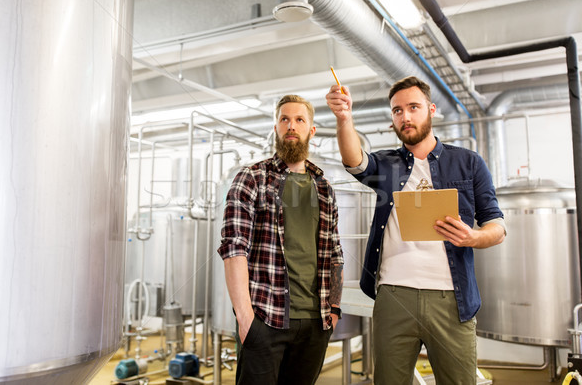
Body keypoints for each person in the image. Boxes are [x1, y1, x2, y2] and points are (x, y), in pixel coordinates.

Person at [326, 76, 506, 384]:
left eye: (413, 107)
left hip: (452, 300)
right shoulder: (386, 164)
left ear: (431, 109)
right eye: (397, 111)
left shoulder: (468, 162)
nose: (405, 117)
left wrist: (473, 237)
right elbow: (354, 161)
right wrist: (344, 118)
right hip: (394, 295)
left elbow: (497, 225)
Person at [217, 94, 344, 385]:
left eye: (299, 120)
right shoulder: (252, 178)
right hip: (265, 317)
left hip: (315, 322)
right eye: (284, 119)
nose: (291, 125)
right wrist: (245, 318)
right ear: (275, 127)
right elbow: (234, 248)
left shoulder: (324, 188)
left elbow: (335, 252)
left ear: (311, 131)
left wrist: (334, 310)